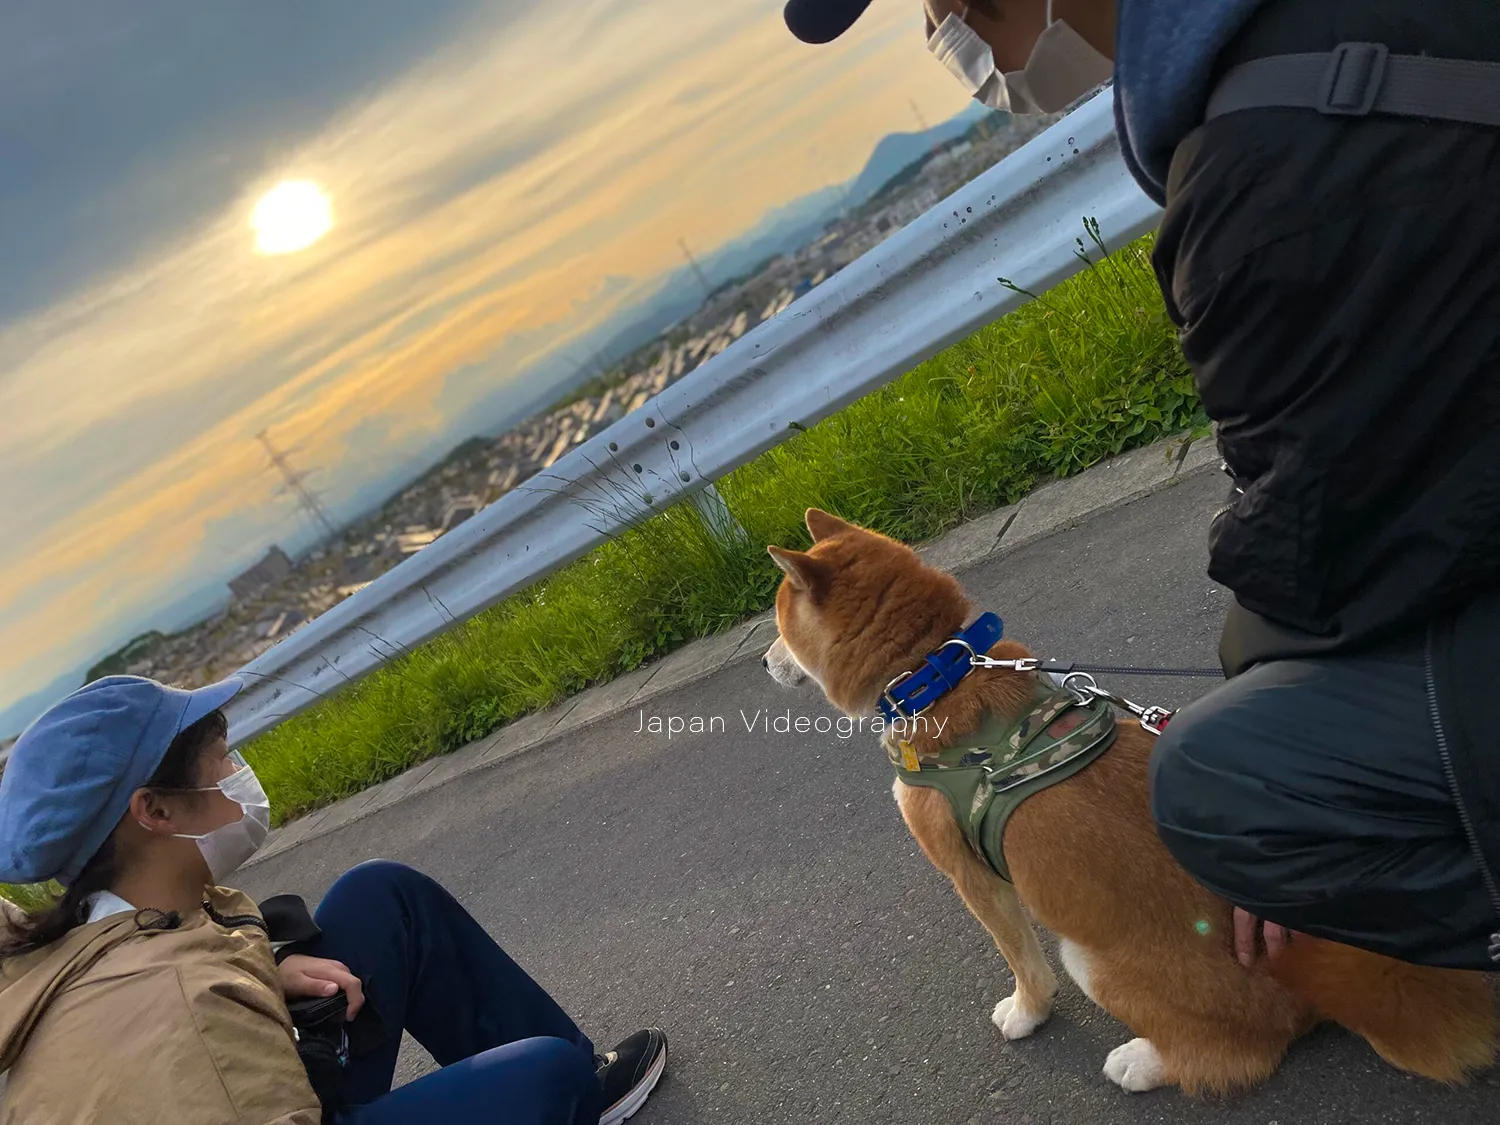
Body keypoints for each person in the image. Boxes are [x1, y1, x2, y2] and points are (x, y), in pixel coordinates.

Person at [783, 0, 1500, 970]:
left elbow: (1317, 556)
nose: (951, 31)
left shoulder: (1254, 169)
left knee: (1223, 781)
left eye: (944, 6)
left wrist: (1283, 770)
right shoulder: (1310, 52)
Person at [0, 675, 668, 1124]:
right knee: (542, 1080)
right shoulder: (184, 1014)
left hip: (264, 1071)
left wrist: (262, 974)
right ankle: (569, 1088)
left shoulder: (117, 927)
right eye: (222, 763)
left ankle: (587, 1081)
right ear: (154, 810)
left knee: (381, 895)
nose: (240, 778)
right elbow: (199, 1039)